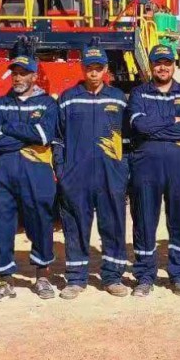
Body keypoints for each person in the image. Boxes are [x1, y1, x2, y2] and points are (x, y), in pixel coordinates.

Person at [0, 55, 59, 302]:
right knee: (2, 222)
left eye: (23, 73)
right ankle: (5, 280)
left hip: (37, 172)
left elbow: (44, 135)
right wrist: (27, 136)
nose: (17, 78)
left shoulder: (48, 104)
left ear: (34, 76)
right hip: (4, 172)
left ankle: (42, 276)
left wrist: (8, 128)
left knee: (41, 220)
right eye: (14, 73)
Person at [56, 46, 131, 298]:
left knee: (113, 224)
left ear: (106, 69)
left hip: (111, 174)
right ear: (82, 68)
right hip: (77, 175)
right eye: (90, 68)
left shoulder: (118, 98)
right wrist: (62, 171)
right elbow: (58, 139)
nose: (94, 73)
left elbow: (129, 140)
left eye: (99, 68)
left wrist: (122, 170)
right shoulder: (68, 98)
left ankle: (113, 277)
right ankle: (76, 279)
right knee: (76, 225)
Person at [127, 44, 180, 297]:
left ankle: (179, 275)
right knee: (144, 219)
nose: (162, 67)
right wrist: (172, 122)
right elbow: (139, 126)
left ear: (174, 65)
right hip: (145, 166)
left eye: (167, 62)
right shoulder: (139, 93)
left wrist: (155, 128)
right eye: (158, 63)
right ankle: (145, 276)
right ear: (151, 65)